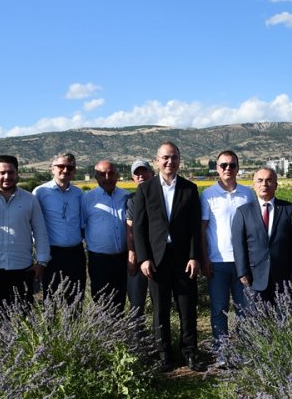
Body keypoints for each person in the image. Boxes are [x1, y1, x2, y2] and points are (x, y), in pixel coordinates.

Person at [132, 141, 203, 370]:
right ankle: (163, 354)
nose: (169, 161)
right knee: (160, 309)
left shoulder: (189, 189)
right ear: (157, 161)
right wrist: (143, 258)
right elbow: (139, 228)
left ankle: (190, 352)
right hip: (156, 259)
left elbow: (194, 227)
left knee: (187, 306)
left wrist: (195, 256)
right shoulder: (145, 189)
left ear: (179, 160)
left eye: (173, 157)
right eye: (165, 157)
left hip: (183, 259)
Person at [0, 155, 50, 313]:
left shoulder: (30, 200)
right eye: (2, 172)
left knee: (25, 315)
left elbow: (40, 232)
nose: (7, 177)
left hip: (23, 268)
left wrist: (42, 262)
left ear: (17, 173)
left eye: (11, 172)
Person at [200, 150, 256, 352]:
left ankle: (244, 351)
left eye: (232, 165)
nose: (228, 169)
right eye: (223, 165)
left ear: (238, 168)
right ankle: (221, 351)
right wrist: (204, 259)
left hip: (244, 263)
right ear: (217, 168)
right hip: (217, 262)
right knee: (218, 309)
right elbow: (202, 230)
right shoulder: (207, 195)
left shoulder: (248, 194)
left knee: (246, 311)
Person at [233, 167, 292, 304]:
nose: (264, 184)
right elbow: (239, 244)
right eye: (260, 180)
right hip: (254, 277)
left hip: (283, 276)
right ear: (254, 185)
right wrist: (242, 272)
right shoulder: (243, 212)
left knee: (284, 319)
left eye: (269, 181)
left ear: (276, 185)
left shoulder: (290, 210)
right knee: (256, 319)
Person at [33, 153, 85, 303]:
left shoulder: (78, 194)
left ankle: (76, 326)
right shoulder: (40, 192)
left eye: (69, 167)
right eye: (61, 166)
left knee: (76, 297)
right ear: (52, 169)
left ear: (74, 171)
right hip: (52, 253)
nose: (65, 170)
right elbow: (34, 224)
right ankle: (51, 327)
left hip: (76, 252)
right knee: (51, 298)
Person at [82, 160, 129, 309]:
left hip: (123, 258)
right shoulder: (87, 199)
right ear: (96, 176)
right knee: (100, 301)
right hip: (99, 260)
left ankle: (119, 331)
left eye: (110, 173)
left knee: (120, 299)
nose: (107, 177)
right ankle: (103, 332)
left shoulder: (126, 197)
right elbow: (81, 227)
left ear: (117, 175)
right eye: (102, 174)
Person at [126, 159, 154, 322]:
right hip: (138, 258)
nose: (141, 176)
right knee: (136, 305)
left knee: (160, 302)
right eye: (137, 173)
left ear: (152, 174)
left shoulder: (162, 196)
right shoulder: (131, 200)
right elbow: (129, 228)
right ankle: (137, 340)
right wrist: (132, 253)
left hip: (158, 257)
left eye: (144, 171)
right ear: (133, 178)